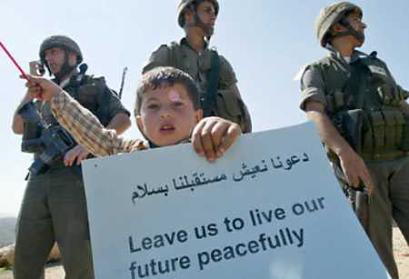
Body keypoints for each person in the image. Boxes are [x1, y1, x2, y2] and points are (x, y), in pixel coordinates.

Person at [299, 2, 409, 278]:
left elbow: (400, 104)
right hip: (364, 167)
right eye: (356, 19)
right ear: (337, 26)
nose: (363, 25)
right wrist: (345, 154)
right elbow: (315, 114)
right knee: (378, 256)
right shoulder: (317, 70)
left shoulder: (376, 64)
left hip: (402, 161)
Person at [11, 35, 131, 278]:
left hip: (75, 178)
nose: (49, 58)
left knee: (79, 262)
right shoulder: (44, 92)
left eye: (54, 52)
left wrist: (88, 144)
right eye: (46, 54)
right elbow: (17, 126)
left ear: (73, 56)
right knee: (25, 257)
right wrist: (31, 91)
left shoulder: (93, 84)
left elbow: (123, 119)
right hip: (39, 176)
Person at [25, 66, 241, 161]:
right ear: (140, 122)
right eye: (154, 107)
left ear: (197, 116)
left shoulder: (209, 147)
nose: (165, 114)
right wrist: (54, 94)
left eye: (177, 105)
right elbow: (96, 135)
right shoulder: (130, 153)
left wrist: (220, 132)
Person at [142, 0, 252, 133]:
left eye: (214, 12)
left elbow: (241, 110)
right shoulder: (167, 55)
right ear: (188, 14)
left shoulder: (219, 63)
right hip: (177, 143)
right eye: (207, 10)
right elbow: (144, 98)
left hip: (220, 142)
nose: (213, 16)